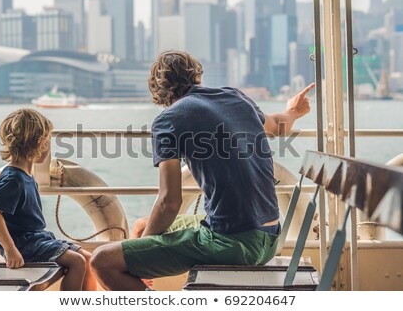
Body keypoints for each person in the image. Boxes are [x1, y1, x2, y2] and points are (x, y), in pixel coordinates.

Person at [91, 51, 315, 291]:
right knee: (140, 227)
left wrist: (144, 249)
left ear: (160, 92)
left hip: (231, 243)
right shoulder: (235, 97)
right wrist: (294, 111)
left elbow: (169, 202)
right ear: (197, 75)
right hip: (270, 237)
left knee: (102, 261)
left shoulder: (168, 120)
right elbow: (276, 125)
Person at [0, 109, 97, 291]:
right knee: (76, 261)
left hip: (36, 238)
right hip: (23, 243)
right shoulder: (14, 179)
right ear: (39, 144)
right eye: (47, 141)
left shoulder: (25, 174)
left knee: (87, 258)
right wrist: (10, 249)